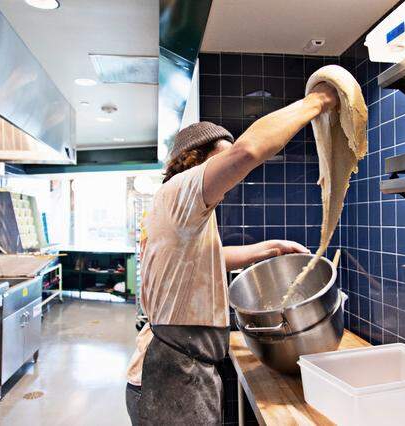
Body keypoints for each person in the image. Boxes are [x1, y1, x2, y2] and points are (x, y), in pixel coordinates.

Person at [125, 83, 338, 425]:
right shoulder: (181, 190)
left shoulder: (172, 207)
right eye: (221, 161)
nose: (231, 179)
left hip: (173, 368)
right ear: (194, 161)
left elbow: (204, 258)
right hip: (172, 376)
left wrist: (269, 248)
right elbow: (248, 152)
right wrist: (319, 101)